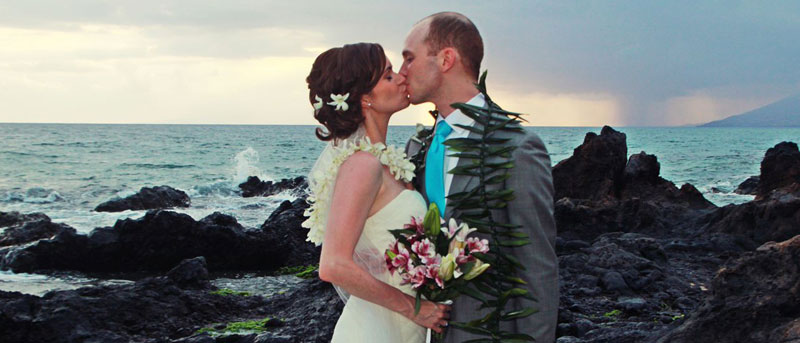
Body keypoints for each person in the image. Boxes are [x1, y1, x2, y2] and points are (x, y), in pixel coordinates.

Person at [401, 12, 559, 342]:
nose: (401, 72)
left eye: (409, 58)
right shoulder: (417, 146)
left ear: (446, 59)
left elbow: (536, 268)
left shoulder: (515, 148)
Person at [302, 42, 450, 342]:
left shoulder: (386, 162)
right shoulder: (362, 166)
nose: (400, 77)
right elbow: (333, 265)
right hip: (378, 328)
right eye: (387, 75)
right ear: (365, 98)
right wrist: (414, 308)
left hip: (402, 326)